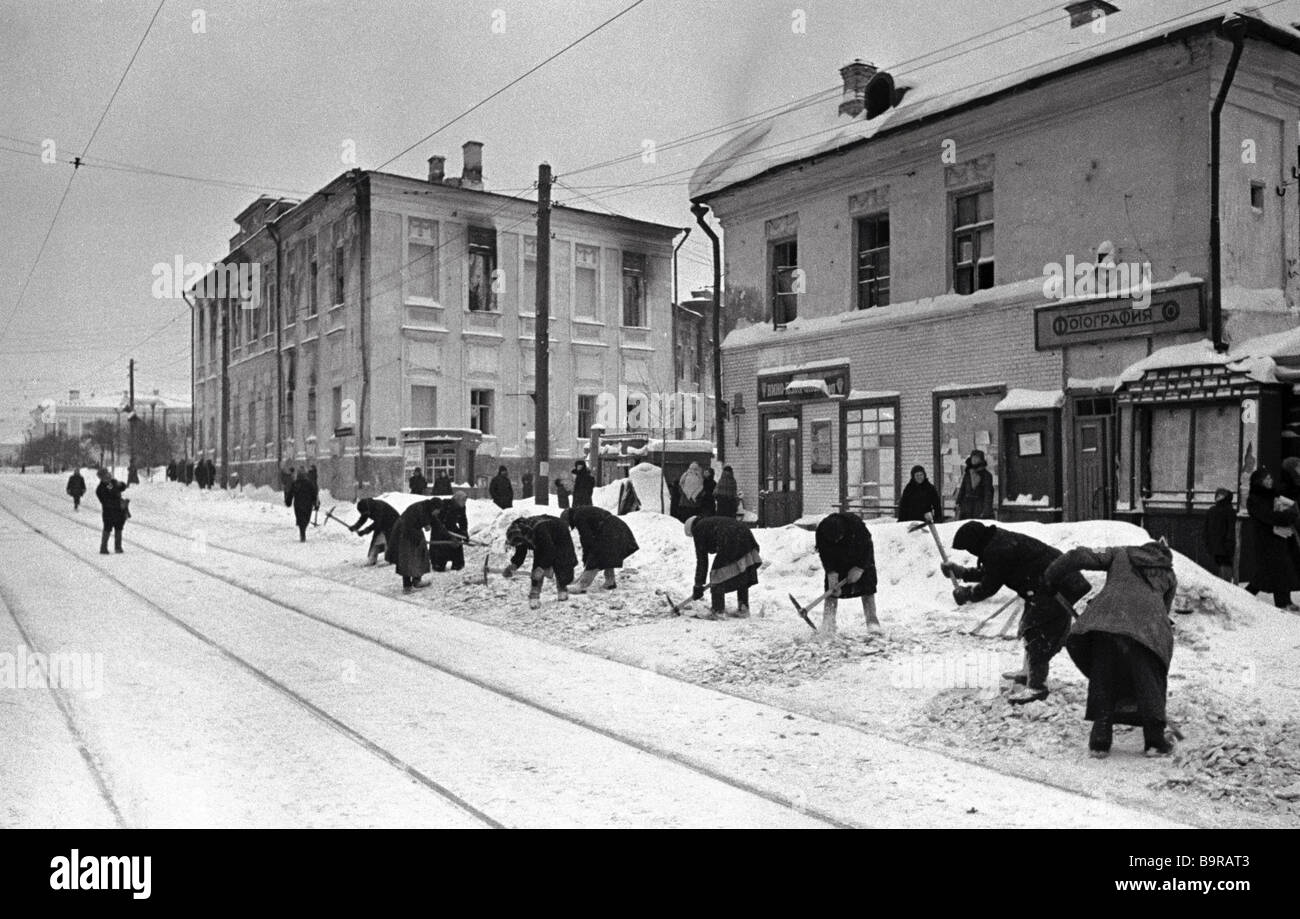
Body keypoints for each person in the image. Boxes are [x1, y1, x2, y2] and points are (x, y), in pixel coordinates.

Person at [1044, 540, 1177, 758]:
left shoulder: (1120, 554)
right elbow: (1164, 611)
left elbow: (1079, 555)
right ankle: (1154, 742)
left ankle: (1100, 741)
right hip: (1147, 630)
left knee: (1103, 675)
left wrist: (1051, 576)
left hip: (1105, 624)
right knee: (1149, 681)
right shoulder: (1169, 575)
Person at [944, 520, 1091, 704]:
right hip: (1046, 585)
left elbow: (989, 586)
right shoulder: (995, 542)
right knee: (1029, 627)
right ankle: (1028, 672)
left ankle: (1037, 687)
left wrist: (967, 594)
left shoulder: (998, 548)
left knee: (1038, 633)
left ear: (975, 543)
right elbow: (993, 572)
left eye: (968, 548)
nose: (970, 552)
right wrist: (962, 572)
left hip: (1059, 586)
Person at [814, 511, 881, 637]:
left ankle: (872, 622)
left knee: (867, 589)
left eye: (838, 538)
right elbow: (824, 553)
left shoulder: (856, 525)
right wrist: (831, 573)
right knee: (831, 591)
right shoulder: (822, 531)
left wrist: (860, 568)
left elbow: (867, 547)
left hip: (859, 556)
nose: (836, 541)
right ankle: (828, 623)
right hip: (836, 560)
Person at [1243, 467, 1300, 611]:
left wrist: (1289, 513)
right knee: (1268, 573)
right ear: (1259, 481)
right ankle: (1242, 597)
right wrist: (1288, 517)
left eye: (1270, 478)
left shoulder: (1273, 496)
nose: (1270, 481)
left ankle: (1284, 601)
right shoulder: (1255, 499)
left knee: (1280, 570)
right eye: (1266, 479)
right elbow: (1268, 516)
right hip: (1266, 541)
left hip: (1279, 537)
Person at [686, 514, 762, 619]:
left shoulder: (699, 529)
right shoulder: (710, 522)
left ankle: (718, 611)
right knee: (742, 571)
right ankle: (743, 608)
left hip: (730, 538)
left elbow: (702, 560)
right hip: (746, 535)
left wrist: (698, 585)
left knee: (716, 575)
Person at [504, 515, 578, 609]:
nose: (519, 544)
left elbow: (549, 551)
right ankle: (534, 595)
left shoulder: (536, 532)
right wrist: (513, 565)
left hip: (559, 529)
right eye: (517, 544)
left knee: (562, 560)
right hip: (543, 534)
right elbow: (521, 551)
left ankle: (562, 589)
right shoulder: (519, 533)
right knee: (538, 561)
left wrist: (541, 568)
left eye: (520, 542)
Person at [564, 505, 639, 593]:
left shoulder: (578, 516)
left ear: (569, 518)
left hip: (610, 529)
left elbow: (586, 538)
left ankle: (582, 585)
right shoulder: (581, 511)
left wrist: (587, 557)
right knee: (607, 554)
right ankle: (610, 581)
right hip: (617, 527)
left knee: (597, 555)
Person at [387, 498, 448, 592]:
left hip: (415, 530)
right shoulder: (420, 509)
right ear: (434, 507)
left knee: (421, 554)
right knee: (407, 558)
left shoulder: (428, 509)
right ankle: (407, 586)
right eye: (438, 510)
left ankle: (417, 580)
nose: (438, 512)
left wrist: (448, 536)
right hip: (403, 530)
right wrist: (419, 539)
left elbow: (437, 524)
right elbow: (407, 527)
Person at [350, 497, 400, 566]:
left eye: (366, 512)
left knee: (387, 539)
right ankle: (372, 558)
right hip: (383, 523)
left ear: (368, 509)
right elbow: (363, 518)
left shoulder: (378, 507)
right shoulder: (368, 507)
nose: (366, 514)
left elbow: (377, 523)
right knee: (376, 540)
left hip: (393, 522)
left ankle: (389, 558)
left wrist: (365, 531)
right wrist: (355, 527)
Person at [1203, 487, 1236, 583]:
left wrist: (1207, 542)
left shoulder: (1213, 510)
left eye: (1220, 495)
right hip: (1224, 545)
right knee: (1225, 566)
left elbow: (1206, 529)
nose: (1217, 497)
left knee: (1221, 566)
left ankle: (1223, 586)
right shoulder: (1229, 510)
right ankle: (1226, 586)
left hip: (1216, 544)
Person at [431, 491, 470, 572]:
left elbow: (463, 520)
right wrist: (444, 531)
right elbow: (437, 518)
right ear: (457, 499)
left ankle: (457, 564)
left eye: (465, 501)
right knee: (442, 544)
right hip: (440, 527)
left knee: (457, 542)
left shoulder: (462, 508)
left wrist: (464, 532)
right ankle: (438, 564)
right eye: (463, 500)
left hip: (452, 527)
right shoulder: (445, 504)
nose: (464, 502)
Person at [95, 468, 129, 555]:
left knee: (119, 528)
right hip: (108, 513)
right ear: (102, 477)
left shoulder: (111, 483)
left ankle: (118, 547)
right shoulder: (100, 489)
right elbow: (106, 501)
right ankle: (103, 548)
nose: (108, 475)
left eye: (108, 474)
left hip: (119, 512)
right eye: (106, 475)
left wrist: (121, 484)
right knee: (107, 529)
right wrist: (119, 503)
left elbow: (121, 488)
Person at [956, 450, 994, 520]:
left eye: (976, 458)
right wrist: (958, 502)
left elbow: (988, 494)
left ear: (981, 460)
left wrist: (986, 510)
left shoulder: (986, 475)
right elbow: (963, 489)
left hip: (979, 506)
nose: (974, 459)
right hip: (966, 507)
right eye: (973, 457)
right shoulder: (967, 474)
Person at [289, 469, 318, 542]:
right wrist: (315, 503)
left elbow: (290, 494)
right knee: (306, 519)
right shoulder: (309, 483)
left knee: (300, 519)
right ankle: (303, 532)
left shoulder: (296, 483)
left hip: (298, 504)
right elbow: (314, 494)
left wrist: (288, 501)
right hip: (307, 505)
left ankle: (302, 531)